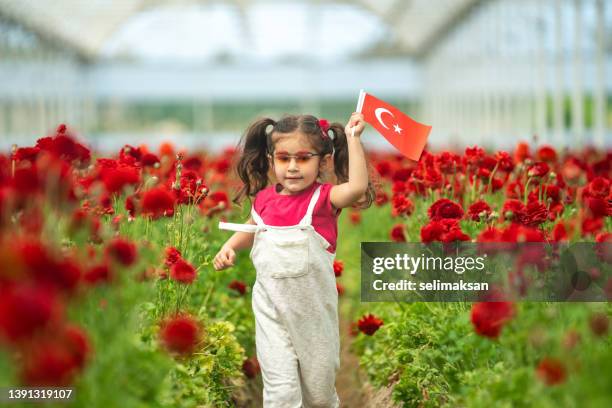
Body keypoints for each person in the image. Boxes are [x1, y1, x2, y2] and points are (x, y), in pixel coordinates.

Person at [213, 113, 375, 407]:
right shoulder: (263, 199)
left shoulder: (324, 200)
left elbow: (356, 188)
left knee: (319, 394)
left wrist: (353, 139)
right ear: (271, 158)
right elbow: (253, 225)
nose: (292, 167)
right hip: (271, 310)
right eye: (284, 158)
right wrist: (230, 246)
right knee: (281, 392)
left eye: (303, 158)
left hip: (313, 314)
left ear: (323, 162)